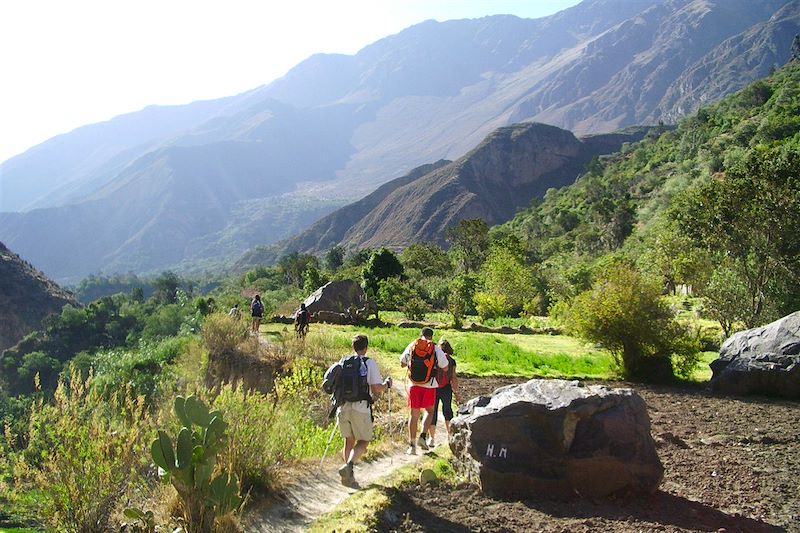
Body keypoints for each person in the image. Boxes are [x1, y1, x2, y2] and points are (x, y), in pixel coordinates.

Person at [323, 334, 391, 487]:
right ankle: (349, 466)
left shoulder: (343, 362)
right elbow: (376, 388)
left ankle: (348, 478)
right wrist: (387, 384)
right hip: (360, 408)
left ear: (353, 347)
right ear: (366, 348)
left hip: (343, 407)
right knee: (363, 441)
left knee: (349, 441)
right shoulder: (368, 363)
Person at [400, 327, 449, 455]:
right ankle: (422, 437)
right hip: (430, 385)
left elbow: (402, 363)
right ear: (431, 336)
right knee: (430, 411)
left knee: (413, 414)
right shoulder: (434, 348)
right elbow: (445, 367)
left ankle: (412, 445)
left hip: (414, 384)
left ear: (420, 334)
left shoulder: (413, 345)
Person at [426, 339, 460, 447]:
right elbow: (453, 377)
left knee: (433, 412)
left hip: (434, 387)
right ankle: (450, 436)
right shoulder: (452, 361)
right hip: (446, 388)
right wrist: (456, 392)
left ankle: (431, 439)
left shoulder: (435, 358)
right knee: (447, 410)